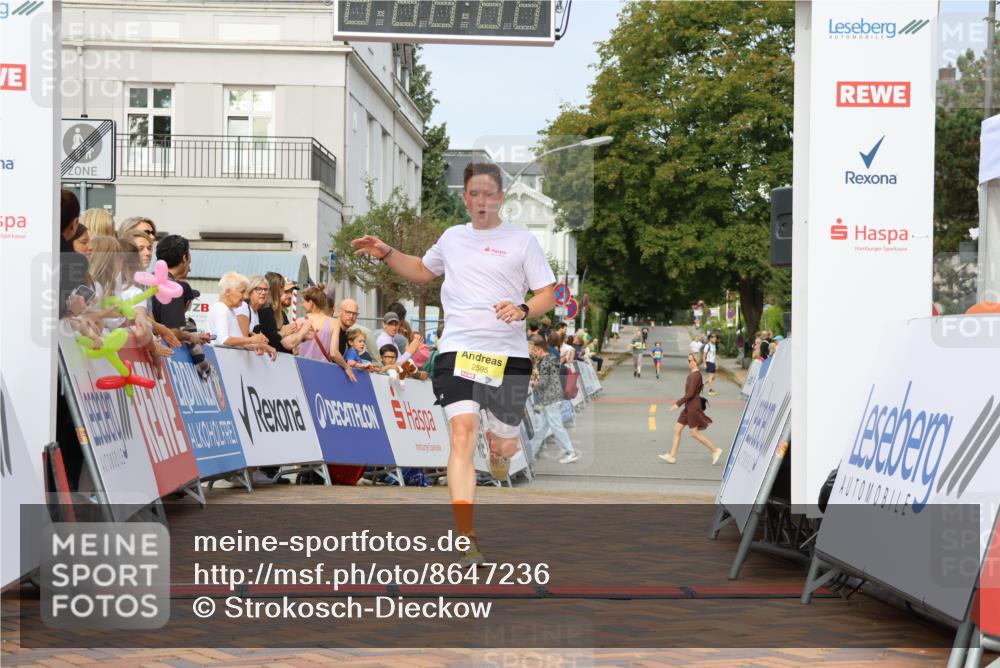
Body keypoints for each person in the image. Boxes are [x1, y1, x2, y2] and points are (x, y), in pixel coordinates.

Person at [351, 161, 556, 566]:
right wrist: (388, 252)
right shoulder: (452, 238)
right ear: (465, 198)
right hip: (459, 350)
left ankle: (499, 456)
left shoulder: (521, 241)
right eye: (473, 194)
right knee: (462, 432)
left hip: (508, 357)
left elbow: (548, 294)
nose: (481, 201)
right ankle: (465, 537)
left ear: (501, 198)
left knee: (504, 443)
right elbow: (423, 271)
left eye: (489, 194)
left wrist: (522, 307)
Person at [659, 353, 722, 465]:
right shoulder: (696, 375)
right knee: (677, 429)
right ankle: (672, 456)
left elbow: (690, 393)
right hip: (689, 406)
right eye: (688, 360)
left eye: (689, 361)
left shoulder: (695, 375)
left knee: (694, 433)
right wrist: (706, 382)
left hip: (692, 407)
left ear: (695, 362)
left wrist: (677, 404)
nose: (688, 363)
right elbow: (697, 388)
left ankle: (715, 450)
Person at [527, 335, 579, 464]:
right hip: (555, 397)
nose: (533, 352)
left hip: (550, 398)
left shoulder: (544, 362)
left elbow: (543, 382)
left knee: (555, 426)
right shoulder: (552, 358)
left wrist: (532, 384)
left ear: (539, 349)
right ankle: (532, 452)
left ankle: (570, 452)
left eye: (534, 350)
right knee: (543, 427)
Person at [206, 271, 276, 358]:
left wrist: (263, 346)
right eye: (242, 292)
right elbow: (224, 339)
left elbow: (240, 343)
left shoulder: (230, 311)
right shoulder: (221, 308)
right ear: (228, 292)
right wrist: (251, 339)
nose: (244, 296)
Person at [295, 285, 356, 380]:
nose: (302, 305)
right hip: (323, 372)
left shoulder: (299, 321)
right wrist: (346, 367)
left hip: (301, 371)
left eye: (304, 302)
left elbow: (294, 350)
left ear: (311, 303)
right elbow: (334, 353)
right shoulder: (333, 323)